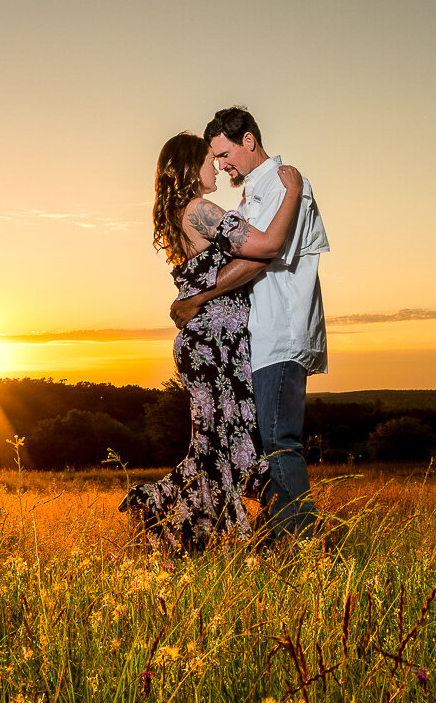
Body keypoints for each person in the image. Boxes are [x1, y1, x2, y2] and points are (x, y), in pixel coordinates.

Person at [121, 132, 304, 552]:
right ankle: (168, 517)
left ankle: (186, 533)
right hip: (213, 341)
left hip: (213, 340)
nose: (217, 166)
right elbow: (269, 246)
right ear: (189, 167)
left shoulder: (181, 211)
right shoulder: (198, 209)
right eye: (209, 159)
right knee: (227, 447)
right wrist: (291, 192)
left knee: (219, 447)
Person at [171, 106, 328, 547]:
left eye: (224, 155)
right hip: (252, 340)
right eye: (214, 159)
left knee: (279, 441)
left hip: (279, 334)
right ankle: (279, 543)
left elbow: (266, 254)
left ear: (249, 141)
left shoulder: (284, 184)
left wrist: (198, 296)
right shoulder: (249, 194)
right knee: (256, 447)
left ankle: (304, 547)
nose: (221, 165)